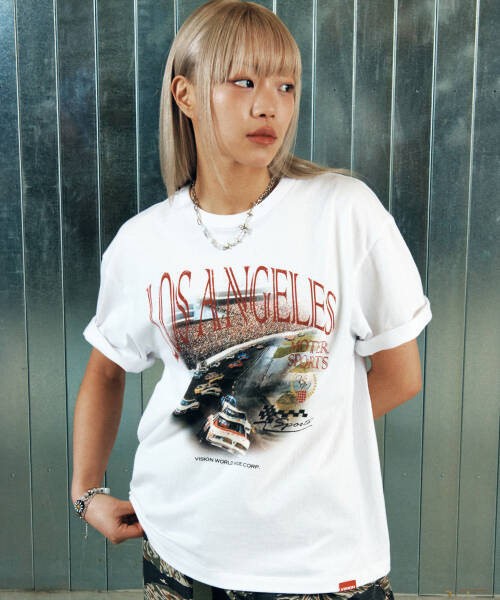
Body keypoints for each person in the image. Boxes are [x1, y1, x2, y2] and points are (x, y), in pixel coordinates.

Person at [71, 1, 432, 599]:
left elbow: (401, 374)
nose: (269, 106)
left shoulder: (345, 211)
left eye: (285, 86)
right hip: (179, 547)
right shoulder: (143, 241)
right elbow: (105, 372)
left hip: (320, 559)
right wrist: (86, 494)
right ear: (185, 95)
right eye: (243, 82)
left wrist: (284, 430)